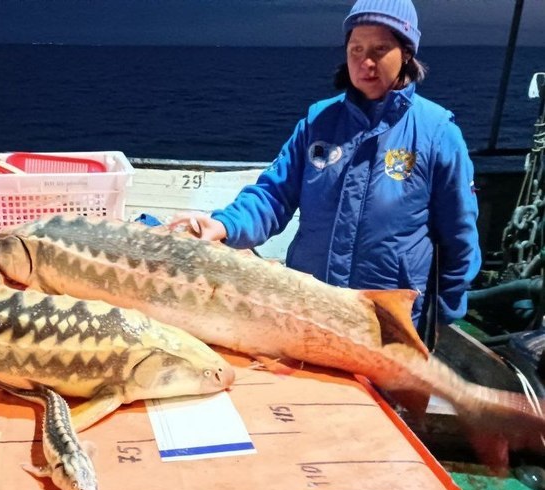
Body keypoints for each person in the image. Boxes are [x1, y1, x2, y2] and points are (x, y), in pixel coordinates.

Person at [170, 0, 481, 338]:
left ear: (406, 53)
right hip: (309, 307)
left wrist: (441, 316)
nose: (366, 62)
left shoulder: (437, 131)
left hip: (390, 320)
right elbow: (274, 195)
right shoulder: (318, 121)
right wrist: (225, 224)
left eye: (380, 49)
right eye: (356, 49)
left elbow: (458, 232)